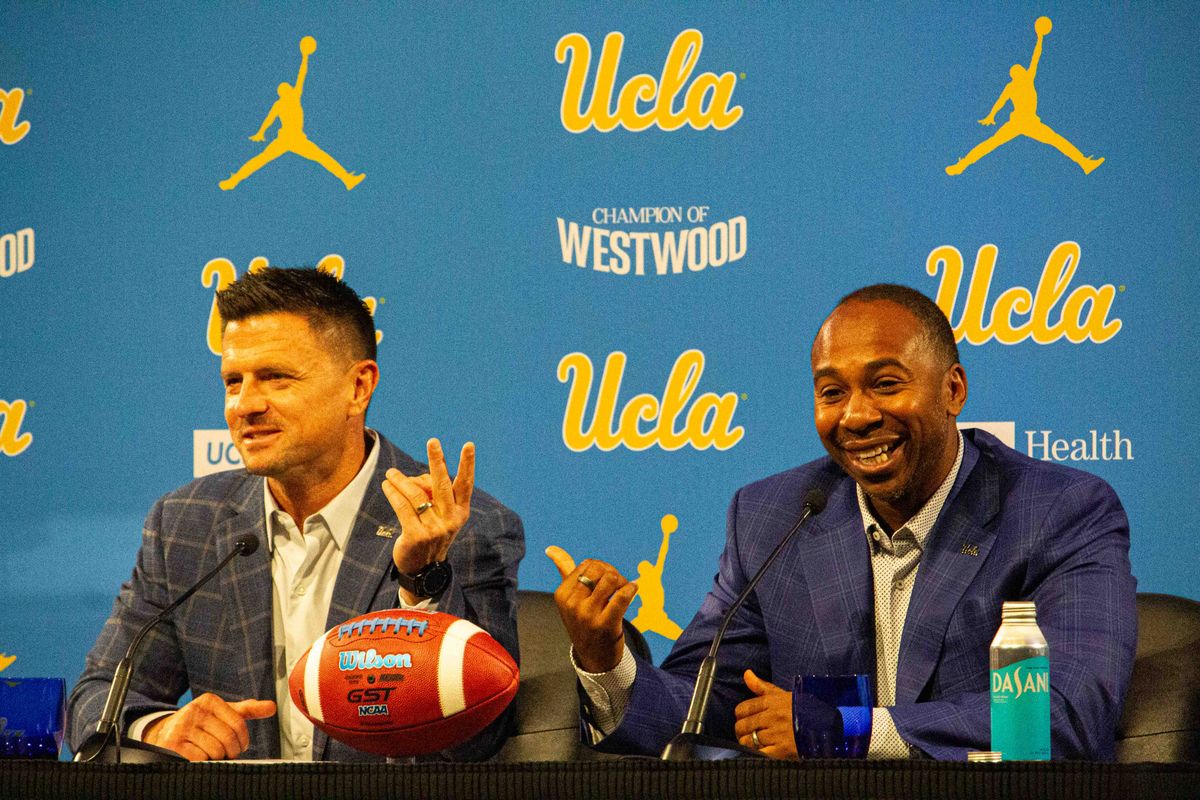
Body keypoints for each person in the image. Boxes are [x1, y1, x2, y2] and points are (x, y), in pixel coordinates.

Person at [548, 284, 1136, 760]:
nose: (856, 415)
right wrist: (607, 662)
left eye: (885, 384)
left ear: (953, 389)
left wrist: (844, 731)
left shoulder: (1059, 512)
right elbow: (702, 714)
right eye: (832, 392)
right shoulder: (773, 517)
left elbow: (1068, 713)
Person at [67, 267, 524, 762]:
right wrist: (158, 729)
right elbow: (94, 700)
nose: (245, 405)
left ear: (358, 387)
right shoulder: (186, 525)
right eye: (232, 381)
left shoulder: (462, 524)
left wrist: (423, 579)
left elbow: (480, 741)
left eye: (276, 378)